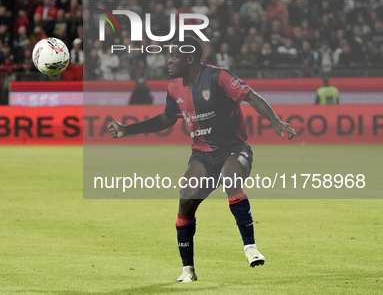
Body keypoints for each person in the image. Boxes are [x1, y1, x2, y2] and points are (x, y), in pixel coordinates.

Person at [107, 36, 297, 282]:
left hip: (234, 149)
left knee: (230, 180)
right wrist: (127, 129)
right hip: (202, 156)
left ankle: (250, 247)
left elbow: (250, 96)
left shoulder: (218, 76)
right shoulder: (174, 87)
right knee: (186, 200)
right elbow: (166, 118)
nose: (169, 60)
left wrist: (274, 120)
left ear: (190, 58)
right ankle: (188, 270)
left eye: (174, 56)